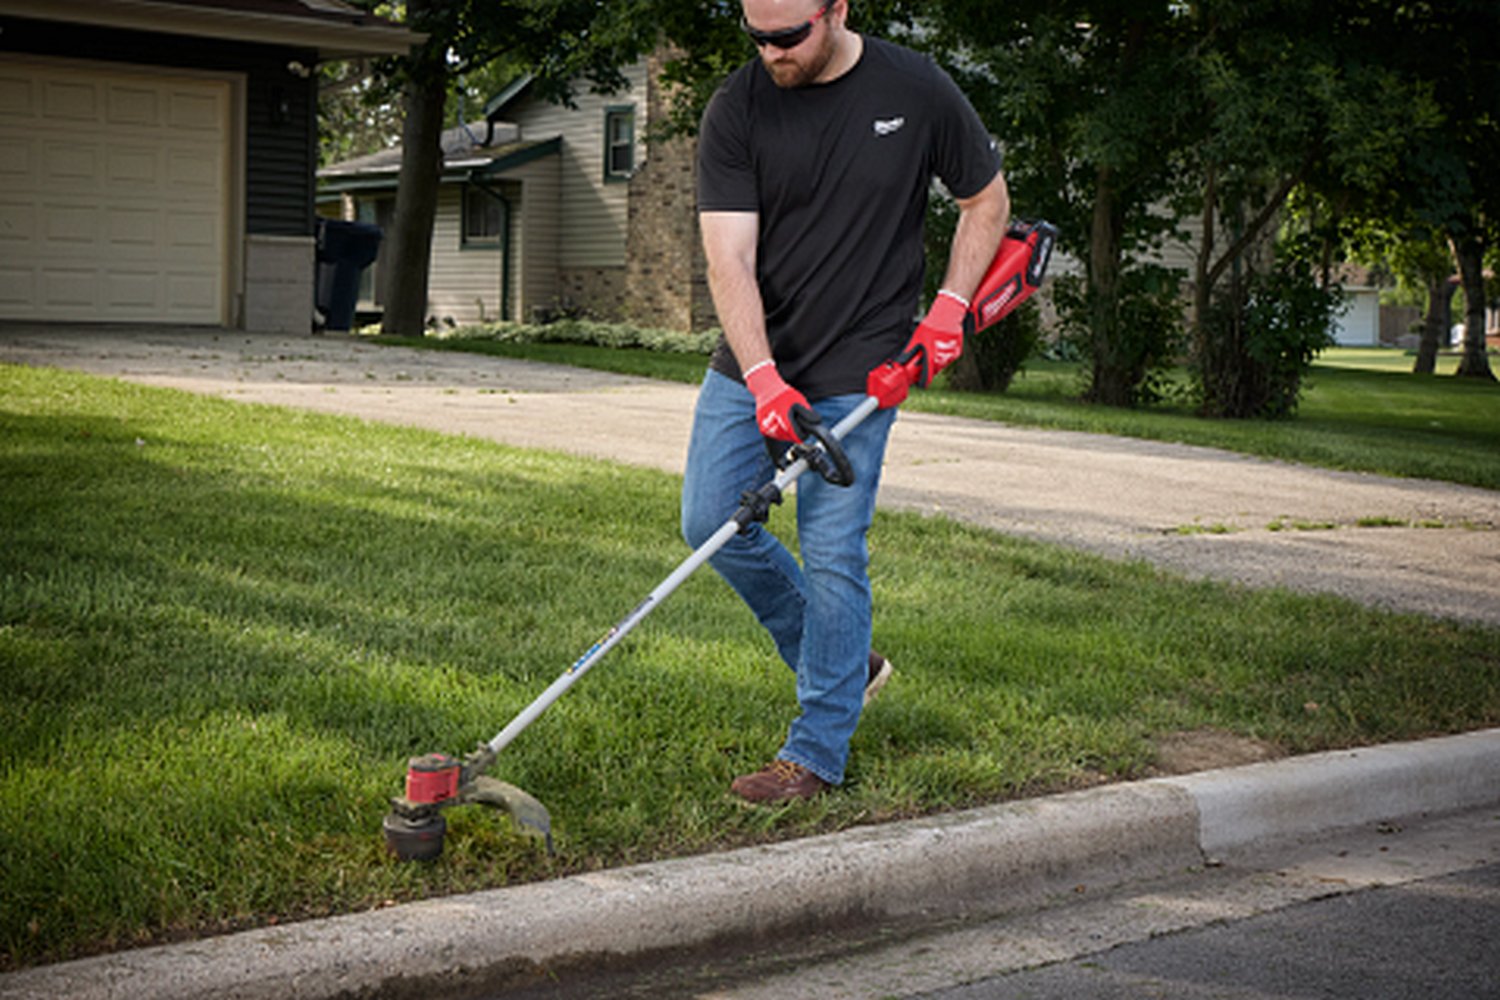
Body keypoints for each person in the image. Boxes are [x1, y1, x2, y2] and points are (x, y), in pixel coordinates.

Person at [683, 0, 1011, 803]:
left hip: (862, 370)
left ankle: (816, 755)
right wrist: (763, 379)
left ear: (837, 10)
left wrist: (948, 309)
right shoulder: (738, 106)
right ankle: (844, 662)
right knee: (709, 522)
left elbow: (987, 203)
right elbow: (729, 256)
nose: (772, 52)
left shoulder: (915, 87)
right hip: (754, 363)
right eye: (756, 36)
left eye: (788, 35)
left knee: (833, 553)